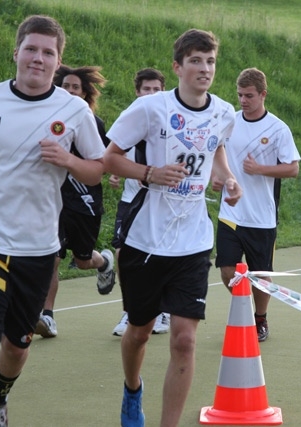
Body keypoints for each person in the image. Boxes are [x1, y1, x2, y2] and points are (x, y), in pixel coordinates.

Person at [0, 15, 105, 427]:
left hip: (38, 250)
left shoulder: (75, 110)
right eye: (31, 49)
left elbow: (97, 170)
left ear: (58, 61)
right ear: (16, 52)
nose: (38, 58)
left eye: (48, 52)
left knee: (16, 347)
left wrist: (68, 160)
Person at [103, 28, 242, 427]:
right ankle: (133, 389)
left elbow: (216, 148)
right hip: (145, 239)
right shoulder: (149, 109)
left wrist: (227, 178)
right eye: (196, 61)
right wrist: (150, 173)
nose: (205, 69)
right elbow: (109, 159)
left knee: (184, 339)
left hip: (193, 240)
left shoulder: (224, 113)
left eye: (210, 61)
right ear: (177, 67)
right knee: (139, 332)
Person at [212, 67, 300, 342]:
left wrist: (260, 169)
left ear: (263, 95)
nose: (243, 100)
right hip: (230, 213)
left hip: (261, 217)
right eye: (240, 95)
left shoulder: (278, 128)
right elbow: (216, 154)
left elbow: (292, 168)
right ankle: (244, 313)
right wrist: (216, 177)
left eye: (249, 95)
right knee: (227, 269)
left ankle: (260, 318)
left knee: (261, 275)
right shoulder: (229, 123)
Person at [34, 65, 116, 338]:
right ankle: (47, 316)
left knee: (82, 261)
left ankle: (103, 263)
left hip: (84, 202)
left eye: (75, 87)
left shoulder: (93, 123)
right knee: (53, 258)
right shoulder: (44, 120)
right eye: (65, 86)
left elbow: (103, 162)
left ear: (84, 93)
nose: (69, 91)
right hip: (53, 199)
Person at [108, 68, 170, 337]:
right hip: (131, 199)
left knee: (162, 256)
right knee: (123, 254)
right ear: (137, 91)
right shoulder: (131, 118)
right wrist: (115, 172)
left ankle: (163, 310)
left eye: (156, 89)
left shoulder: (170, 121)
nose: (151, 94)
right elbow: (116, 153)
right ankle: (129, 311)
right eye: (147, 89)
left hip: (162, 201)